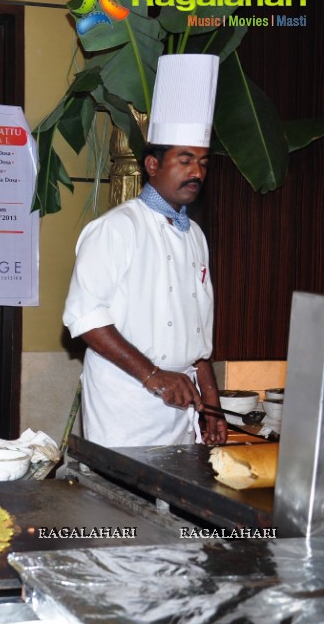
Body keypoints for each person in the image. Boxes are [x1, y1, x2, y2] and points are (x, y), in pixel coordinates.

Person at [62, 54, 228, 448]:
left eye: (203, 163)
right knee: (122, 505)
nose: (197, 173)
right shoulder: (116, 228)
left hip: (184, 403)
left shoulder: (196, 236)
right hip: (127, 405)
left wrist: (213, 404)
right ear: (153, 165)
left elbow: (198, 335)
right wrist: (153, 375)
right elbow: (84, 317)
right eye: (185, 160)